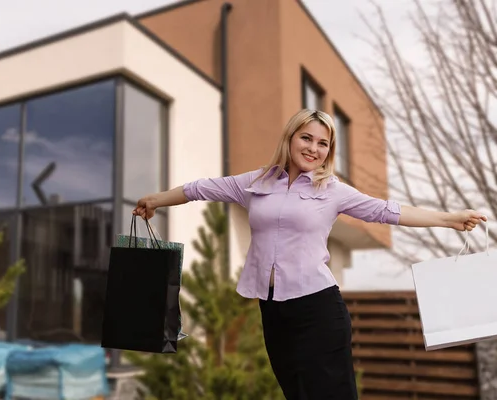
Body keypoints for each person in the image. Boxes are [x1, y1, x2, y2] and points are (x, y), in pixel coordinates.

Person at [132, 108, 486, 399]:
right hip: (273, 311)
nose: (313, 148)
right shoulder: (255, 184)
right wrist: (155, 200)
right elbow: (200, 188)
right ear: (290, 138)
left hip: (318, 310)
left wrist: (449, 219)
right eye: (306, 138)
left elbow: (388, 210)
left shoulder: (332, 191)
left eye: (323, 143)